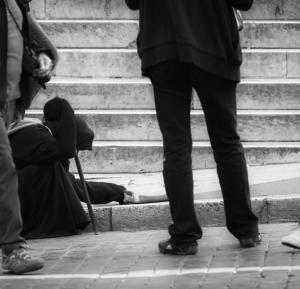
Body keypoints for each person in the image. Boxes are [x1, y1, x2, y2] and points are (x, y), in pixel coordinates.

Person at [125, 0, 261, 255]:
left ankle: (184, 235)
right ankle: (246, 230)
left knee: (176, 146)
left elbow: (133, 2)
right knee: (227, 141)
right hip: (214, 45)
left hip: (164, 48)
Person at [7, 97, 137, 239]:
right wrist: (64, 110)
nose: (76, 153)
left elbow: (77, 186)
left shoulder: (45, 148)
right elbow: (67, 152)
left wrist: (119, 192)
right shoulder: (35, 135)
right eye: (77, 148)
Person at [0, 0, 57, 274]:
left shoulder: (14, 3)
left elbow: (26, 36)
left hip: (7, 101)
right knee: (4, 168)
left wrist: (41, 56)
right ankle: (12, 249)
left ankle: (12, 249)